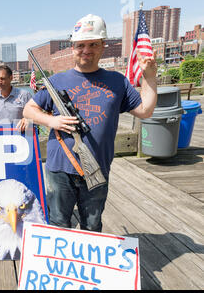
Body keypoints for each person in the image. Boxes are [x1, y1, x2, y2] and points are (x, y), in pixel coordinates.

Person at [23, 14, 157, 232]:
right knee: (58, 224)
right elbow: (29, 110)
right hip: (60, 170)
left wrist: (150, 77)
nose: (86, 50)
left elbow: (145, 110)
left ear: (103, 45)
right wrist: (52, 120)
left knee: (92, 226)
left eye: (93, 44)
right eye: (81, 45)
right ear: (72, 47)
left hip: (98, 168)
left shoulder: (118, 81)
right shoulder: (56, 81)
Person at [0, 65, 32, 132]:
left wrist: (26, 119)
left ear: (11, 78)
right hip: (2, 139)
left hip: (22, 137)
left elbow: (35, 117)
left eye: (2, 79)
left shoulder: (24, 95)